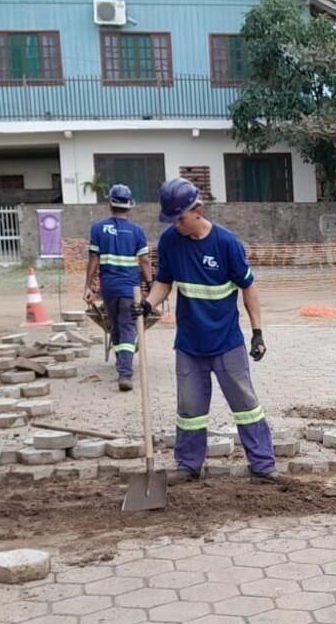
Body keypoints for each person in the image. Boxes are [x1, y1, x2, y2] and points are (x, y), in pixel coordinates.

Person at [132, 177, 283, 484]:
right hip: (189, 344)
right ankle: (188, 465)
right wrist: (148, 304)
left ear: (198, 211)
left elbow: (248, 288)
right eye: (171, 219)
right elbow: (165, 281)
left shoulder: (227, 244)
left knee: (245, 405)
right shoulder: (170, 241)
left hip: (227, 343)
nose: (176, 225)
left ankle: (263, 466)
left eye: (181, 218)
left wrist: (257, 333)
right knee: (189, 409)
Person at [84, 183, 153, 392]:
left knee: (114, 326)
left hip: (109, 289)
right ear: (129, 206)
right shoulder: (137, 231)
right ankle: (125, 373)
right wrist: (151, 285)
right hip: (130, 290)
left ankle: (121, 365)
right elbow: (144, 261)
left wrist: (87, 286)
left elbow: (93, 259)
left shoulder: (97, 229)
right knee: (127, 328)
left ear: (110, 205)